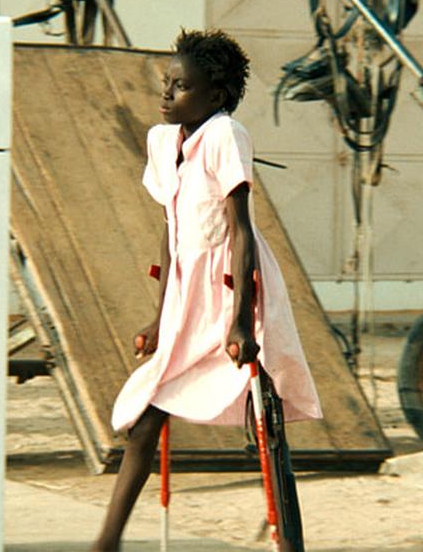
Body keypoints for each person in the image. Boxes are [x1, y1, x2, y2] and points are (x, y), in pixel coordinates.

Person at [92, 29, 322, 552]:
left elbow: (241, 230)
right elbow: (171, 231)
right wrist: (160, 318)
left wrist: (240, 321)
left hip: (233, 289)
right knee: (146, 415)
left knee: (267, 422)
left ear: (215, 95)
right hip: (185, 297)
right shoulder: (160, 141)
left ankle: (290, 544)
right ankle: (106, 543)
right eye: (167, 82)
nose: (167, 93)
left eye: (182, 86)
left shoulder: (225, 135)